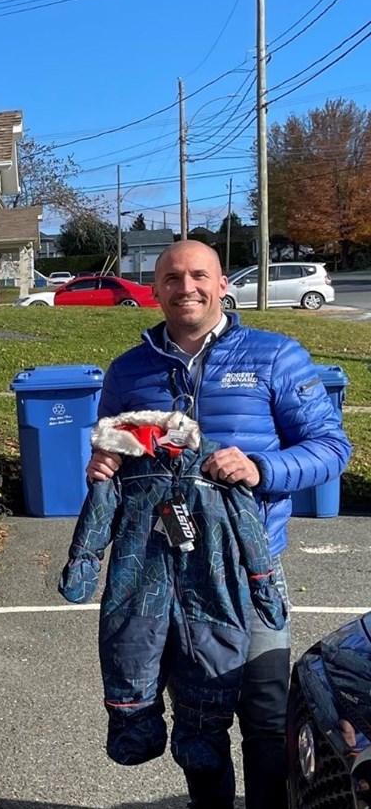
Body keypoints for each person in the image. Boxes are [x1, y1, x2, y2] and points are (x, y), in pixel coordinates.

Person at [86, 240, 350, 809]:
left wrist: (262, 467)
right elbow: (116, 449)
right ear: (154, 290)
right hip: (167, 576)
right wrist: (105, 460)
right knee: (197, 726)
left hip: (249, 573)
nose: (187, 288)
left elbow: (332, 447)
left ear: (223, 283)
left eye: (199, 275)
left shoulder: (275, 356)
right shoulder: (129, 370)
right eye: (173, 278)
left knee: (263, 718)